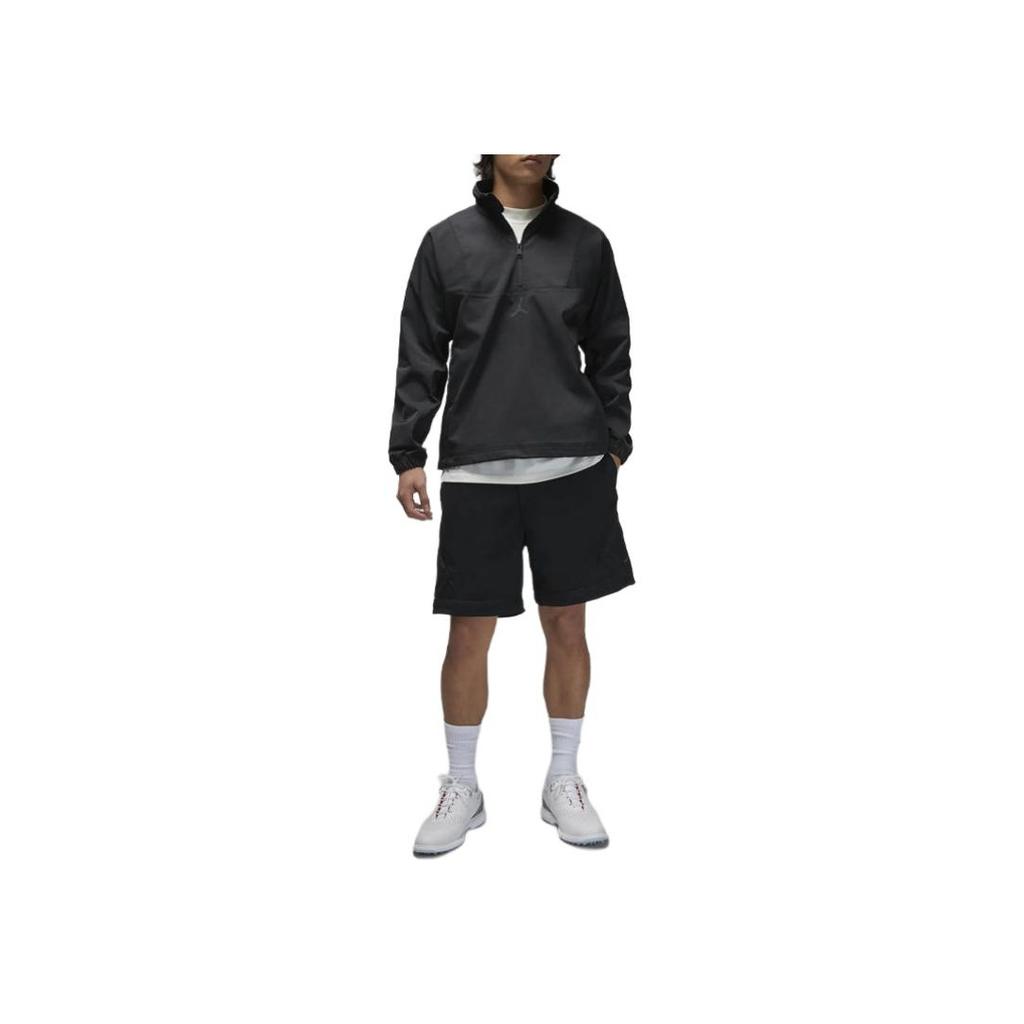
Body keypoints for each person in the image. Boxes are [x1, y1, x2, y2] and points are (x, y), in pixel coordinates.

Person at [388, 154, 635, 856]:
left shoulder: (587, 243)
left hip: (573, 463)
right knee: (468, 631)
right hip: (477, 466)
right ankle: (462, 786)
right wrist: (407, 450)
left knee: (567, 623)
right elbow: (420, 349)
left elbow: (612, 347)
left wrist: (614, 442)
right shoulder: (446, 242)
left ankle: (564, 778)